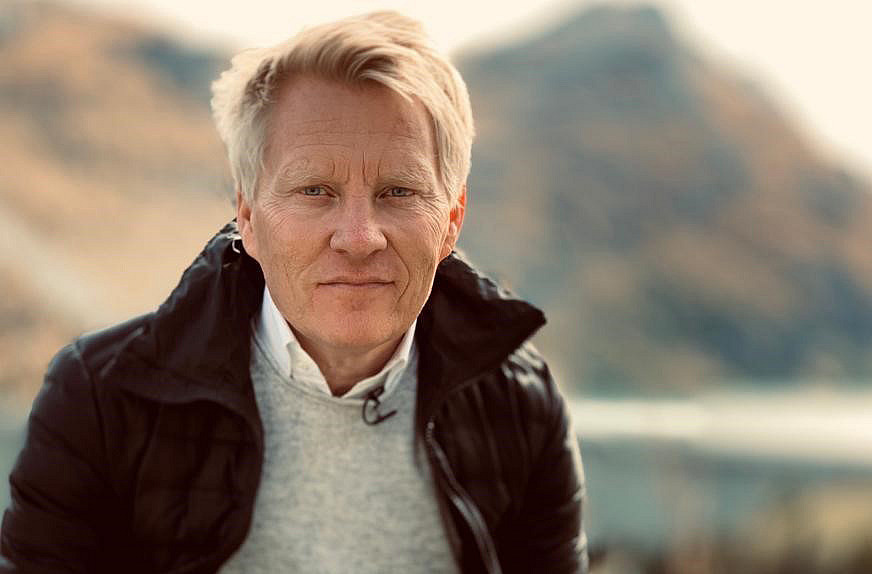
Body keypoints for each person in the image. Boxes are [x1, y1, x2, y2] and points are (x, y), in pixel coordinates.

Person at [0, 11, 587, 573]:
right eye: (315, 190)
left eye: (399, 192)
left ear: (452, 220)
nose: (359, 239)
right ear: (248, 216)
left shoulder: (522, 406)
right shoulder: (99, 400)